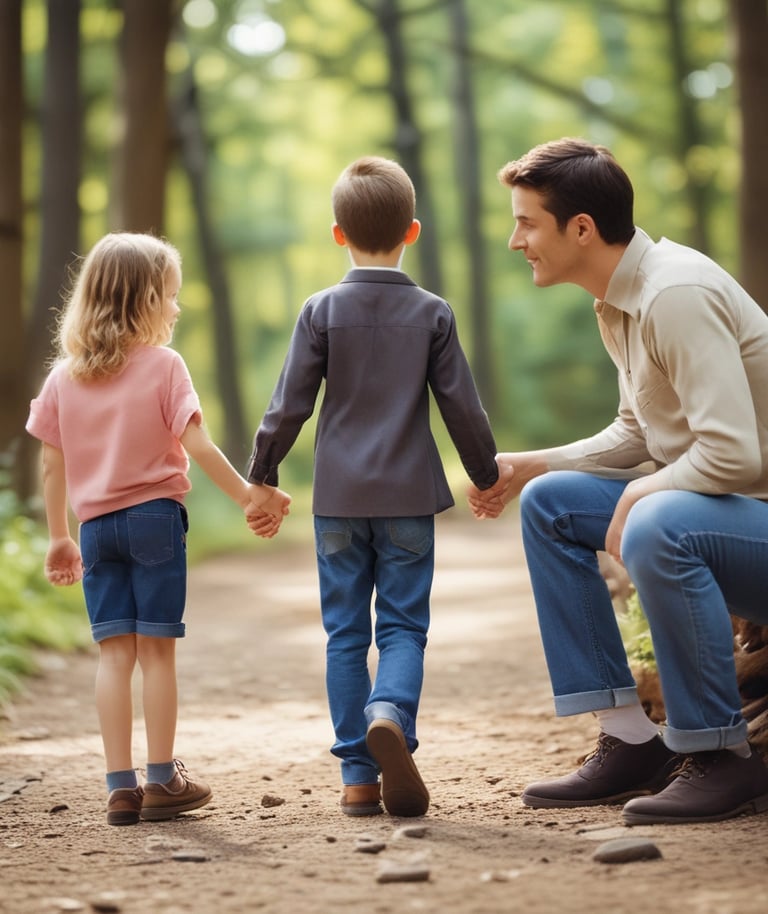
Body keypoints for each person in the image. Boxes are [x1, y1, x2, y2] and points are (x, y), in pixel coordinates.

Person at [469, 137, 768, 825]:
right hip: (732, 517)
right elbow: (640, 431)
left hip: (752, 516)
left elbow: (736, 455)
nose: (517, 241)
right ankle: (631, 737)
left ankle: (720, 755)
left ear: (581, 228)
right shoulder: (618, 300)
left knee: (661, 518)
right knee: (549, 503)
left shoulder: (675, 294)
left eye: (527, 222)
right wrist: (534, 465)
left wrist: (640, 491)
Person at [245, 156, 500, 818]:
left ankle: (359, 777)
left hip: (337, 501)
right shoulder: (433, 313)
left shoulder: (320, 311)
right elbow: (462, 409)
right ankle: (390, 714)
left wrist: (262, 476)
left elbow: (288, 405)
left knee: (344, 636)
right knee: (405, 629)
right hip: (409, 497)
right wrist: (485, 476)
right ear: (411, 231)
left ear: (338, 233)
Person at [26, 232, 291, 826]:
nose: (176, 306)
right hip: (154, 521)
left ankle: (120, 787)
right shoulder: (165, 366)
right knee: (158, 657)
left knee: (113, 657)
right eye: (170, 295)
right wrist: (251, 496)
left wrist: (57, 535)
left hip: (94, 530)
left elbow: (51, 461)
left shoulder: (64, 378)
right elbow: (196, 444)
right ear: (145, 299)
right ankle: (161, 778)